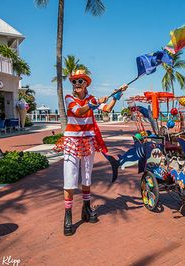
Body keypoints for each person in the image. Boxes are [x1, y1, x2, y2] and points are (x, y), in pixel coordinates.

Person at [56, 69, 128, 236]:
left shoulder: (91, 98)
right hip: (72, 141)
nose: (76, 85)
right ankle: (68, 216)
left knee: (87, 176)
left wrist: (116, 96)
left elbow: (107, 109)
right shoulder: (69, 98)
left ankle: (86, 209)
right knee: (70, 178)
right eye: (73, 81)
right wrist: (93, 103)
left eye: (79, 81)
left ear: (86, 83)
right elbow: (78, 111)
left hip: (88, 141)